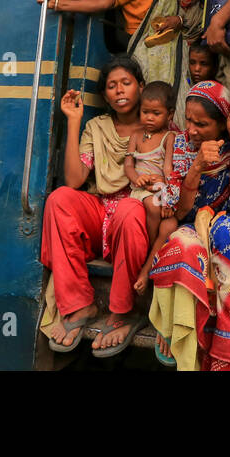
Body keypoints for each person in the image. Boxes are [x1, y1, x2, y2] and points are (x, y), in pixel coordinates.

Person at [39, 57, 151, 357]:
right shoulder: (97, 126)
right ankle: (79, 305)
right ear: (105, 96)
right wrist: (73, 120)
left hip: (134, 219)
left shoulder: (156, 123)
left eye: (126, 83)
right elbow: (75, 180)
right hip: (100, 213)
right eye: (112, 86)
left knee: (129, 208)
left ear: (140, 87)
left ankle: (123, 311)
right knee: (59, 199)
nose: (119, 91)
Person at [148, 80, 230, 370]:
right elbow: (179, 211)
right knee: (182, 246)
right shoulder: (180, 145)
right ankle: (177, 327)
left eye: (201, 124)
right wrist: (196, 167)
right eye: (189, 120)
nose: (191, 129)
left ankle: (226, 349)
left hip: (223, 218)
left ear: (221, 125)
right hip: (191, 221)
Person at [36, 0, 182, 86]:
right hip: (142, 55)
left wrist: (178, 20)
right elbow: (102, 2)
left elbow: (186, 16)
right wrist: (58, 3)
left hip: (171, 57)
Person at [126, 81, 177, 293]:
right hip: (140, 190)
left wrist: (167, 193)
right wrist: (137, 177)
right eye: (145, 112)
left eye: (156, 113)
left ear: (169, 114)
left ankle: (147, 268)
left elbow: (168, 169)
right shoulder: (136, 136)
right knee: (154, 207)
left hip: (160, 189)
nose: (149, 117)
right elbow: (128, 164)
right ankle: (147, 249)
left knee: (170, 226)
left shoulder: (169, 137)